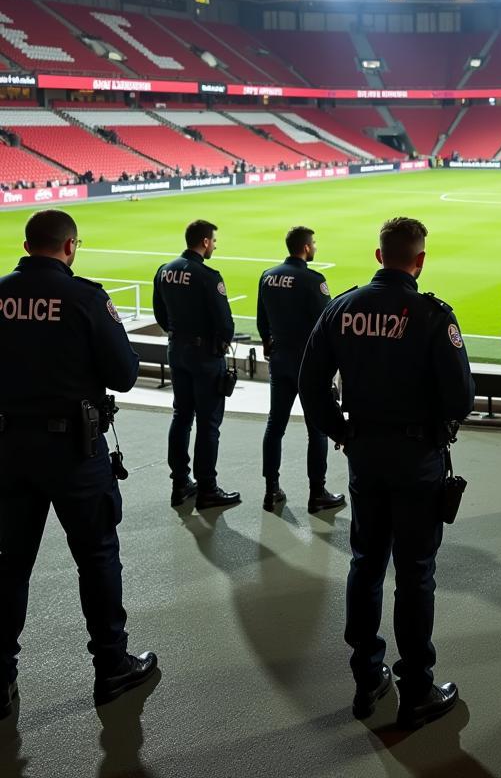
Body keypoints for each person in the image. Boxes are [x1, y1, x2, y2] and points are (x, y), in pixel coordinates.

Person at [298, 217, 474, 729]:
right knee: (415, 572)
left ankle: (366, 676)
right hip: (417, 458)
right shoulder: (431, 314)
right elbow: (461, 398)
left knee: (365, 562)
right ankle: (417, 686)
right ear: (419, 260)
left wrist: (341, 431)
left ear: (379, 256)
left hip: (364, 454)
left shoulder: (341, 308)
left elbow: (310, 384)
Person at [0, 210, 156, 715]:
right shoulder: (86, 297)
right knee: (97, 558)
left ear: (28, 245)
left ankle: (0, 678)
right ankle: (111, 667)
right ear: (70, 246)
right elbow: (126, 374)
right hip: (73, 453)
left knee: (8, 565)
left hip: (7, 450)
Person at [256, 226, 345, 514]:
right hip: (308, 364)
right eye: (314, 243)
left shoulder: (268, 276)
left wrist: (270, 343)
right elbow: (327, 324)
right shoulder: (312, 280)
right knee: (316, 430)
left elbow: (262, 319)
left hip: (280, 359)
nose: (315, 246)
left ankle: (271, 490)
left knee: (275, 426)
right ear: (306, 248)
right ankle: (317, 493)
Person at [152, 220, 239, 510]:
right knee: (208, 423)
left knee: (181, 416)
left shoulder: (164, 271)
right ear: (203, 242)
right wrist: (220, 343)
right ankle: (207, 489)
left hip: (177, 351)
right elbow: (225, 324)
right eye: (213, 240)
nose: (215, 245)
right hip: (205, 357)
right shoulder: (207, 275)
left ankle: (180, 484)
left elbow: (160, 315)